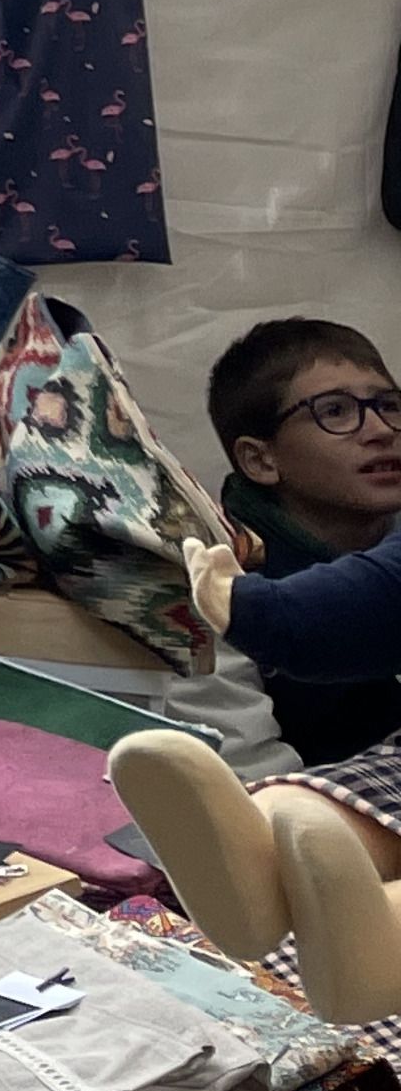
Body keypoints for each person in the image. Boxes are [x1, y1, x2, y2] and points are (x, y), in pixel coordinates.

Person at [203, 319, 401, 763]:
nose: (381, 430)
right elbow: (249, 781)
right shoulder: (219, 583)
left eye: (389, 405)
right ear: (260, 459)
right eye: (334, 411)